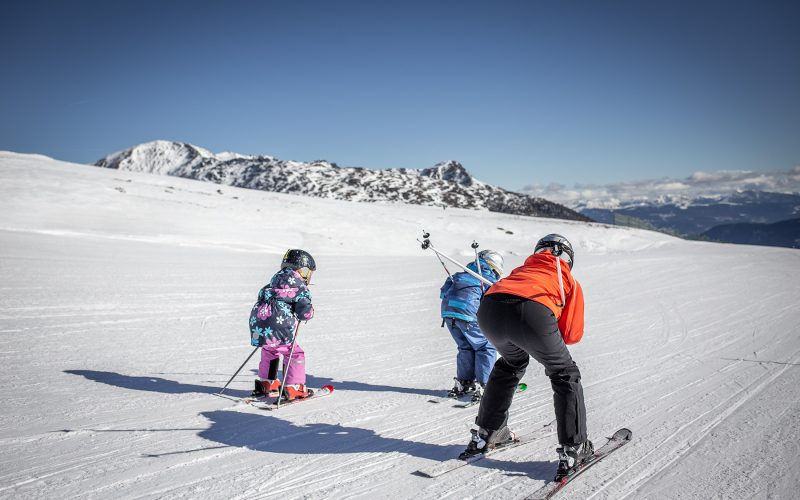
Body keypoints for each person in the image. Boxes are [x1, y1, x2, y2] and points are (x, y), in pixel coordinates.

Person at [459, 234, 591, 481]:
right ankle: (574, 448)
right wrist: (543, 334)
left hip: (490, 309)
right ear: (567, 258)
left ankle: (488, 433)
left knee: (510, 363)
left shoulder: (521, 270)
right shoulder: (566, 279)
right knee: (564, 372)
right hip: (532, 313)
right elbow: (572, 334)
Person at [249, 249, 316, 401]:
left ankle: (267, 383)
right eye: (306, 272)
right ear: (299, 270)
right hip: (279, 328)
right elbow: (304, 312)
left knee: (270, 349)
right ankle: (294, 387)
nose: (307, 276)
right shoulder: (300, 287)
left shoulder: (272, 282)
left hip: (259, 324)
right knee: (294, 352)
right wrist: (310, 312)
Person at [440, 249, 504, 402]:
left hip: (448, 313)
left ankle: (465, 382)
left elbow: (443, 292)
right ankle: (485, 384)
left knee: (466, 347)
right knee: (485, 346)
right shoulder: (488, 279)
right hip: (468, 315)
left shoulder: (460, 275)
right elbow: (496, 300)